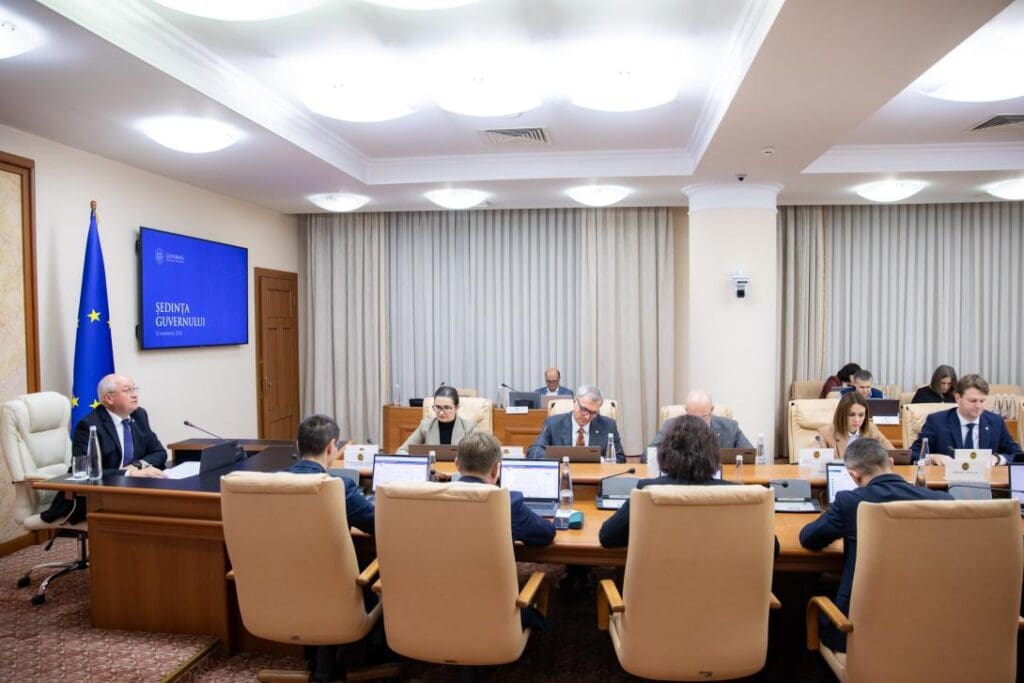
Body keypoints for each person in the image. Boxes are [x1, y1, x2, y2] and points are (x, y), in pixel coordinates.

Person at [799, 438, 952, 652]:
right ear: (891, 463)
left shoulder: (849, 502)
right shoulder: (943, 502)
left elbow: (809, 538)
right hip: (927, 629)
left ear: (854, 475)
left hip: (855, 632)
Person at [600, 415, 733, 548]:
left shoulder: (648, 489)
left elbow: (608, 537)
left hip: (661, 561)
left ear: (666, 451)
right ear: (713, 453)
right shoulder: (732, 493)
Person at [454, 432, 555, 546]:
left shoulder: (438, 498)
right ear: (496, 469)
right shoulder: (508, 503)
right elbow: (547, 533)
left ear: (457, 464)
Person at [287, 414, 375, 535]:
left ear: (298, 446)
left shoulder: (272, 485)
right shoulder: (340, 487)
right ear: (330, 447)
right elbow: (379, 525)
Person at [910, 374, 1023, 465]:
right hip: (946, 482)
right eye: (973, 401)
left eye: (982, 401)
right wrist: (931, 457)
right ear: (958, 398)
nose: (978, 406)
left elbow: (1017, 455)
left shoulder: (996, 422)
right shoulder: (936, 421)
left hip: (988, 481)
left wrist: (997, 459)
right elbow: (912, 454)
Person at [71, 373, 167, 477]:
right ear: (109, 399)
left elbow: (160, 453)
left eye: (134, 389)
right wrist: (129, 474)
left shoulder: (139, 415)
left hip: (136, 482)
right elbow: (85, 469)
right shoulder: (89, 425)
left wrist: (137, 465)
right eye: (127, 390)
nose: (134, 395)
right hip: (105, 485)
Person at [527, 385, 624, 462]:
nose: (587, 417)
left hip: (596, 478)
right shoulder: (553, 423)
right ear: (574, 401)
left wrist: (602, 461)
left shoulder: (608, 426)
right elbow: (534, 451)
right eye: (584, 410)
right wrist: (556, 460)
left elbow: (620, 458)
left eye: (593, 413)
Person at [648, 389, 752, 450]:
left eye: (703, 417)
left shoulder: (730, 427)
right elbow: (647, 455)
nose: (698, 423)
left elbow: (749, 454)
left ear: (711, 410)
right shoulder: (670, 426)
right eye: (693, 417)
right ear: (686, 411)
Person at [398, 386, 476, 453]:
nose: (441, 413)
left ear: (456, 408)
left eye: (446, 408)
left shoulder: (469, 427)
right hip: (434, 466)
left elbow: (480, 454)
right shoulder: (425, 426)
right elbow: (402, 450)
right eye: (438, 407)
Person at [817, 392, 893, 457]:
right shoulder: (825, 433)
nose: (857, 420)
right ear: (842, 415)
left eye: (861, 415)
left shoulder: (871, 429)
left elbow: (891, 453)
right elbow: (815, 460)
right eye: (852, 414)